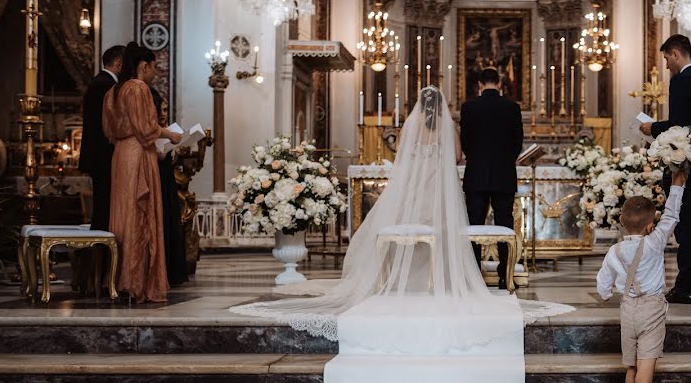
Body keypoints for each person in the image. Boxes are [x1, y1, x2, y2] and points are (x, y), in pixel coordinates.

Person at [231, 86, 571, 343]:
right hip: (440, 186)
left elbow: (403, 157)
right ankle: (444, 278)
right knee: (441, 226)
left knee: (412, 226)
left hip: (414, 185)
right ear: (442, 107)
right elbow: (455, 157)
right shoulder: (448, 127)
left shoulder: (411, 127)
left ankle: (405, 279)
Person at [596, 167, 687, 383]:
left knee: (632, 362)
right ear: (650, 225)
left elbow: (602, 286)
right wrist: (678, 185)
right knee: (648, 362)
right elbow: (671, 216)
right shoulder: (654, 242)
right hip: (651, 308)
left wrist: (607, 292)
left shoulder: (614, 252)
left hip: (628, 309)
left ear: (622, 222)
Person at [639, 35, 691, 304]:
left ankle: (686, 286)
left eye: (666, 58)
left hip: (685, 165)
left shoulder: (682, 81)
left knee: (685, 228)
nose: (666, 65)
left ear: (675, 54)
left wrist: (653, 128)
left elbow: (678, 126)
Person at [103, 42, 182, 303]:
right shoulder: (138, 88)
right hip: (138, 156)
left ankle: (122, 278)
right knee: (141, 215)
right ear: (144, 66)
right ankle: (139, 282)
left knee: (124, 216)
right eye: (154, 67)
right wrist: (170, 134)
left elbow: (110, 131)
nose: (155, 72)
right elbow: (147, 129)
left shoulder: (113, 91)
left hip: (121, 155)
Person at [460, 67, 525, 289]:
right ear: (499, 84)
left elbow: (465, 141)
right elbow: (518, 142)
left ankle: (473, 274)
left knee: (474, 225)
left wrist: (476, 159)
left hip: (476, 174)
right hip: (504, 175)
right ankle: (504, 275)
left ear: (480, 84)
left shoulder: (469, 107)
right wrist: (506, 161)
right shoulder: (512, 107)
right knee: (505, 225)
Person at [79, 45, 124, 231]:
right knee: (104, 206)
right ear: (119, 63)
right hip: (103, 154)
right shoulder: (106, 85)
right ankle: (102, 251)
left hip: (99, 153)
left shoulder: (99, 82)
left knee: (104, 204)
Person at [149, 88, 189, 287]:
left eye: (165, 110)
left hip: (168, 182)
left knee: (172, 222)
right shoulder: (150, 132)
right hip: (156, 182)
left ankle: (174, 271)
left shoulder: (170, 130)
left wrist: (177, 149)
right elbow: (156, 155)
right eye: (160, 110)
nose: (164, 114)